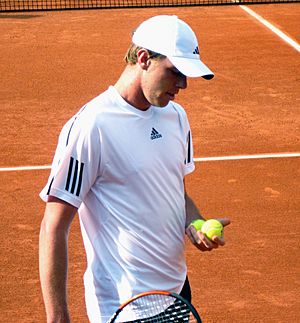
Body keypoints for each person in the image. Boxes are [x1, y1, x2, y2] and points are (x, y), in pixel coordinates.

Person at [39, 15, 230, 323]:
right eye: (175, 72)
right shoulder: (92, 126)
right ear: (143, 58)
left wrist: (194, 222)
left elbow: (175, 193)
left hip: (178, 293)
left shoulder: (176, 117)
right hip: (125, 306)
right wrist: (58, 318)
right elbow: (54, 225)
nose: (183, 84)